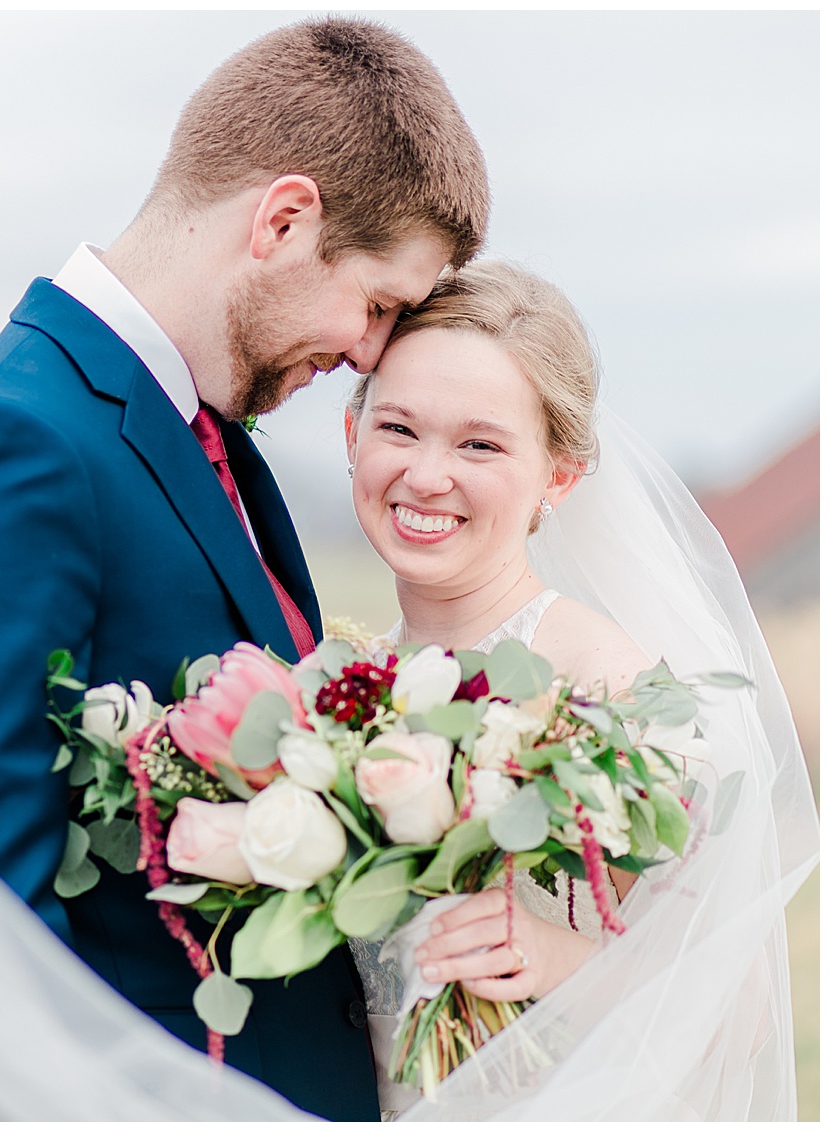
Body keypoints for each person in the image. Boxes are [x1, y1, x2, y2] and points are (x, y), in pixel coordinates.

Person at [0, 16, 488, 1121]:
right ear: (284, 220)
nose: (370, 355)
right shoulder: (7, 450)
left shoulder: (213, 443)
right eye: (379, 303)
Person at [339, 260, 815, 1118]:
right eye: (399, 428)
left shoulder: (610, 688)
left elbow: (739, 1008)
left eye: (480, 444)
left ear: (557, 477)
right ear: (352, 435)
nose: (426, 475)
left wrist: (558, 961)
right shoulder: (340, 686)